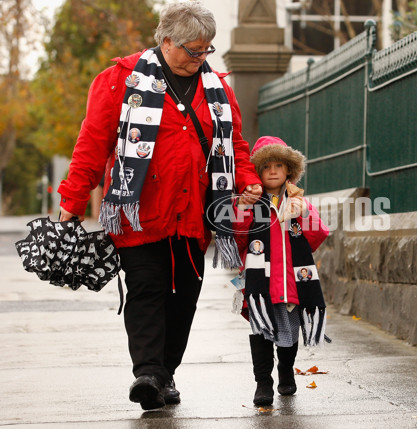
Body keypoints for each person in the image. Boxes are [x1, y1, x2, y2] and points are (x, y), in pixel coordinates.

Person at [57, 1, 262, 410]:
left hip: (195, 216)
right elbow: (92, 144)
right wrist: (73, 201)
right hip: (138, 211)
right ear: (166, 41)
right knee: (147, 289)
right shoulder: (119, 80)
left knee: (185, 297)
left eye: (207, 50)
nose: (201, 58)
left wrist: (250, 180)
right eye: (193, 49)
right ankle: (146, 372)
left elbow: (235, 145)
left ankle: (164, 374)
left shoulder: (218, 89)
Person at [234, 136, 329, 406]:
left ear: (289, 170)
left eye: (278, 165)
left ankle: (286, 370)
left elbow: (317, 236)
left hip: (291, 282)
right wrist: (242, 208)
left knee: (289, 330)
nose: (273, 171)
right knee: (260, 330)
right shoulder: (251, 201)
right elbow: (238, 238)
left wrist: (306, 213)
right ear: (257, 172)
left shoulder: (298, 201)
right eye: (266, 166)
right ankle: (263, 382)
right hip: (260, 284)